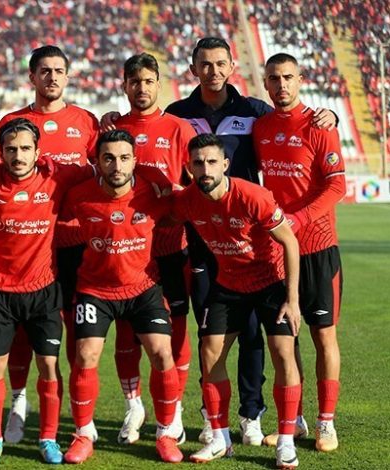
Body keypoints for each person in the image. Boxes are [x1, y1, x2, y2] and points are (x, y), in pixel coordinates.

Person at [103, 36, 336, 445]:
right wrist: (112, 119)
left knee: (253, 332)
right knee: (211, 334)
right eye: (205, 64)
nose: (213, 71)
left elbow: (291, 121)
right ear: (193, 69)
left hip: (252, 243)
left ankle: (251, 414)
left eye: (219, 64)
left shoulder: (255, 111)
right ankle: (213, 420)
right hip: (200, 240)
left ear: (232, 67)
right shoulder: (179, 114)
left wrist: (328, 115)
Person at [0, 118, 96, 465]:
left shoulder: (58, 176)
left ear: (38, 152)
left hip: (44, 292)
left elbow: (99, 169)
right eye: (11, 149)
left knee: (49, 366)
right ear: (0, 152)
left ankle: (48, 438)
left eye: (26, 148)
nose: (18, 156)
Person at [173, 134, 302, 469]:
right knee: (210, 352)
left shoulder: (252, 196)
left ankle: (286, 441)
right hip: (228, 283)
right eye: (198, 163)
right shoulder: (186, 200)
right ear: (189, 167)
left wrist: (292, 299)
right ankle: (220, 438)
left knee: (283, 353)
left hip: (270, 282)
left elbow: (290, 242)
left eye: (212, 162)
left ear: (225, 164)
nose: (205, 169)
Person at [60, 130, 184, 464]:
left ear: (135, 161)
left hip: (143, 287)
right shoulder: (79, 196)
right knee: (85, 354)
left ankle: (166, 433)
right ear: (97, 162)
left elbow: (187, 205)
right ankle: (83, 433)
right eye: (109, 158)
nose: (117, 165)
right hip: (94, 289)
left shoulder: (153, 194)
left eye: (124, 158)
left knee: (162, 353)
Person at [0, 45, 99, 444]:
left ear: (68, 77)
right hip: (25, 244)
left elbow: (103, 172)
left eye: (59, 70)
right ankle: (18, 404)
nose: (52, 77)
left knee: (77, 330)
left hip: (74, 243)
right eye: (44, 70)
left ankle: (76, 409)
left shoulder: (86, 121)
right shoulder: (12, 122)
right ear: (32, 77)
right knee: (23, 331)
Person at [253, 53, 346, 452]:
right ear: (265, 83)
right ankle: (295, 423)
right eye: (274, 78)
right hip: (278, 251)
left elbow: (337, 186)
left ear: (301, 79)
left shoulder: (320, 126)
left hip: (318, 248)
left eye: (288, 77)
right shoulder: (260, 126)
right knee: (283, 342)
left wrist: (300, 218)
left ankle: (326, 423)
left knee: (323, 337)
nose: (282, 85)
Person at [108, 52, 196, 445]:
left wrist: (177, 198)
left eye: (148, 81)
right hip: (123, 251)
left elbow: (197, 185)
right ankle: (134, 408)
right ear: (124, 85)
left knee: (174, 331)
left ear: (158, 84)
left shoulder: (178, 129)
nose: (141, 88)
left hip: (170, 248)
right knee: (126, 332)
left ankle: (173, 408)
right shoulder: (112, 128)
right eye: (134, 81)